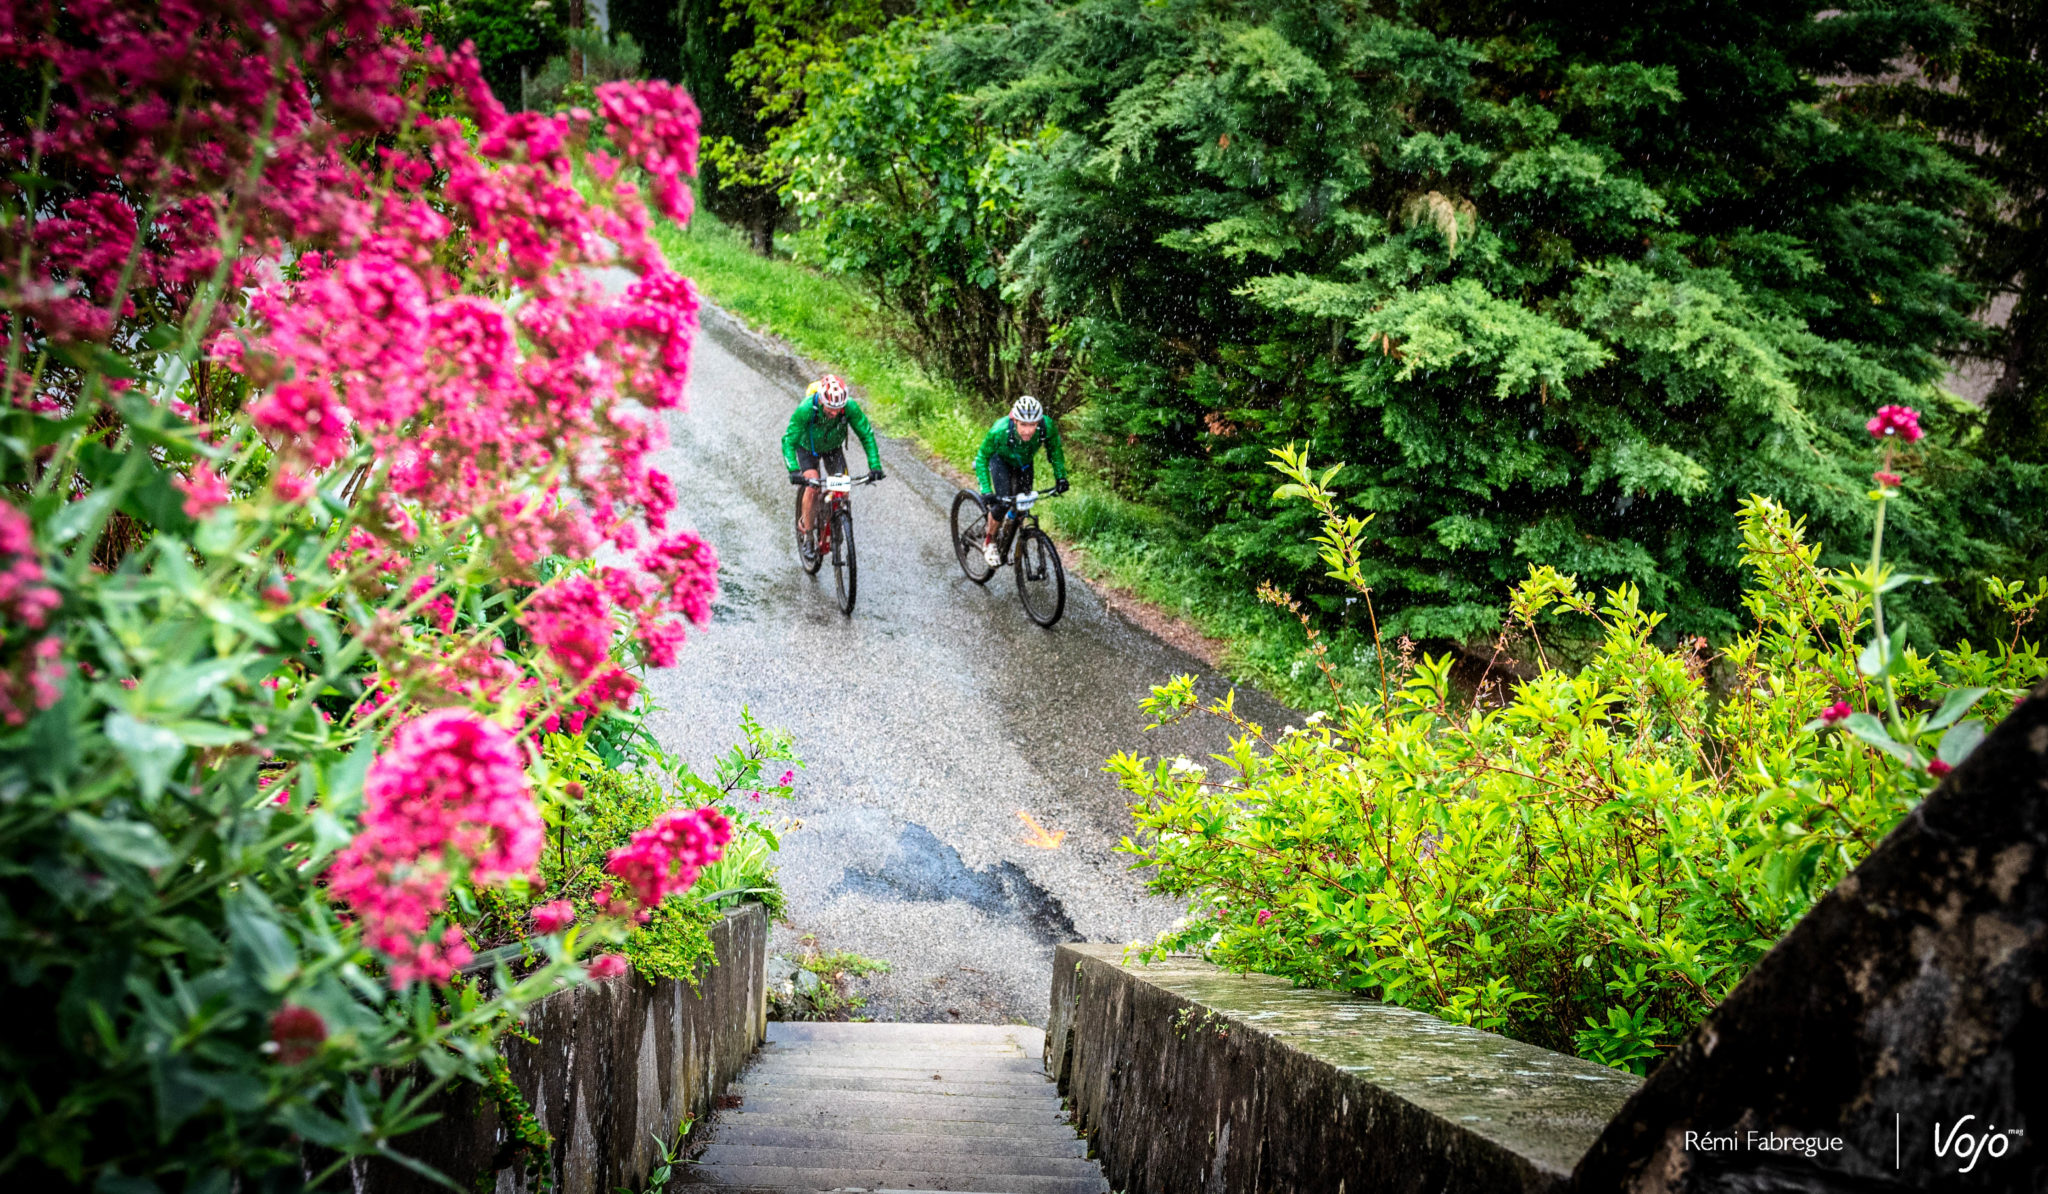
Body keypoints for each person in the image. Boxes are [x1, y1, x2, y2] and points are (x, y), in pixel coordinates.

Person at [782, 374, 883, 540]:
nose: (835, 413)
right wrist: (793, 469)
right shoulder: (806, 409)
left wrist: (875, 466)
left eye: (838, 408)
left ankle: (835, 516)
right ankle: (808, 535)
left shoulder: (849, 407)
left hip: (833, 448)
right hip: (807, 447)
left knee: (842, 488)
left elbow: (866, 435)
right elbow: (788, 441)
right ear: (821, 400)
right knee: (813, 485)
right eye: (830, 408)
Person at [973, 394, 1069, 568]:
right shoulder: (999, 430)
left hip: (1024, 464)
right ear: (1014, 420)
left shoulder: (1047, 426)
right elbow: (981, 459)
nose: (1027, 431)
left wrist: (1061, 476)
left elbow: (1055, 450)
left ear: (1038, 422)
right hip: (1000, 460)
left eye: (1032, 425)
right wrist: (986, 491)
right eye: (1023, 424)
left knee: (1023, 505)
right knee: (1002, 502)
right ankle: (990, 541)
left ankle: (1008, 532)